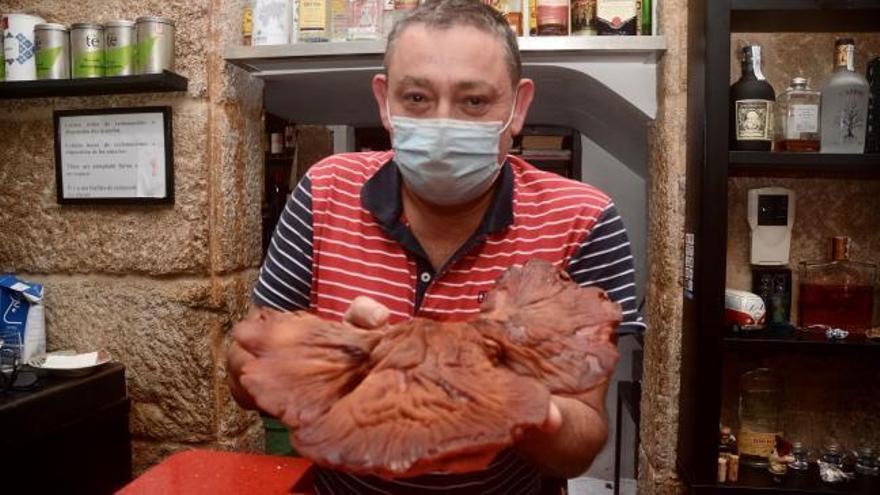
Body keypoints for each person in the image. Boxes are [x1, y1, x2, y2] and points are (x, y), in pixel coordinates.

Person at [228, 1, 645, 493]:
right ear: (384, 101)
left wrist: (518, 398)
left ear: (518, 106)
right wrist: (329, 357)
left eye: (474, 102)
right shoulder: (324, 192)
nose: (443, 124)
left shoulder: (584, 217)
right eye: (418, 98)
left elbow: (580, 445)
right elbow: (243, 371)